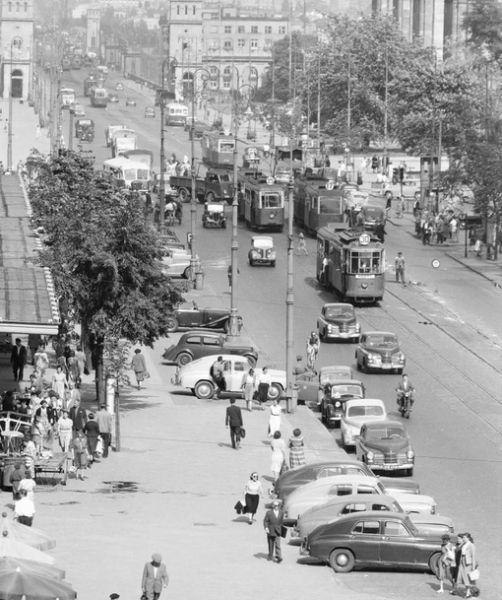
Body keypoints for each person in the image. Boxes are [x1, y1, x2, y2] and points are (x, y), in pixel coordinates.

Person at [456, 533, 477, 598]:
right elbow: (458, 548)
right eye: (463, 538)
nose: (463, 539)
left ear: (468, 538)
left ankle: (468, 593)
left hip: (468, 563)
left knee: (467, 578)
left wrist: (473, 567)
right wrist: (462, 543)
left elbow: (473, 557)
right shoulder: (464, 544)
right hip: (462, 562)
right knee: (463, 577)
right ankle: (468, 592)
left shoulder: (471, 545)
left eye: (464, 538)